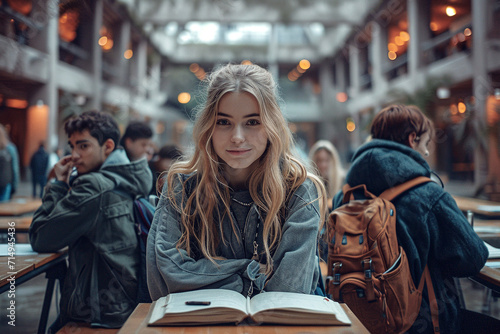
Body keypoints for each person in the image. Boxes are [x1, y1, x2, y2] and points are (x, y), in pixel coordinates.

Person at [147, 64, 328, 301]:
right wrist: (251, 271)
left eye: (252, 122)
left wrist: (208, 272)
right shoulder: (181, 187)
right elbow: (166, 279)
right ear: (209, 126)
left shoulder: (299, 190)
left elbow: (290, 290)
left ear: (271, 125)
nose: (237, 137)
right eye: (224, 122)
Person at [332, 104, 488, 334]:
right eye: (426, 144)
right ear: (412, 139)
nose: (426, 153)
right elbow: (473, 259)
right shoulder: (428, 194)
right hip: (419, 323)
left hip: (355, 321)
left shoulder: (343, 195)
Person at [29, 111, 152, 331]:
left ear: (108, 146)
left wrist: (57, 185)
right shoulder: (129, 177)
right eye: (72, 146)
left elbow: (40, 237)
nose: (74, 155)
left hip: (96, 313)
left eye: (83, 146)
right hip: (123, 303)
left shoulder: (94, 186)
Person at [308, 140, 345, 210]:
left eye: (326, 160)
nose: (323, 165)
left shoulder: (342, 180)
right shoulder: (309, 183)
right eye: (319, 160)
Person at [0, 124, 14, 202]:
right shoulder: (10, 149)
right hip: (5, 182)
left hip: (5, 182)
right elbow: (14, 168)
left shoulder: (9, 149)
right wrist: (14, 186)